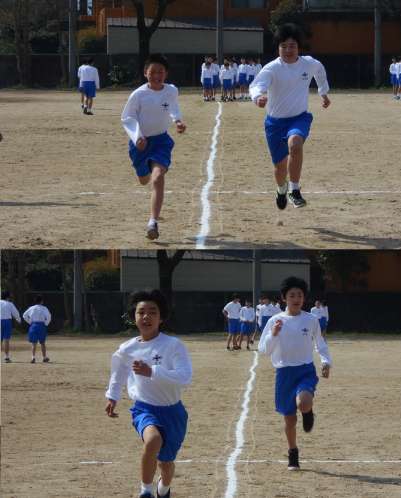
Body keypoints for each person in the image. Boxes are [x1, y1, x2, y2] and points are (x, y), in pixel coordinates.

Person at [105, 289, 192, 498]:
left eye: (153, 312)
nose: (146, 316)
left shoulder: (173, 345)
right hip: (144, 408)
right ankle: (145, 490)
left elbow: (184, 377)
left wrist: (152, 371)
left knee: (166, 464)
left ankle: (163, 489)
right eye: (141, 312)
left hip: (173, 413)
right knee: (152, 440)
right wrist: (112, 396)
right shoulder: (126, 349)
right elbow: (118, 373)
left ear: (161, 318)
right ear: (133, 317)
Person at [249, 23, 330, 210]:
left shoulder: (309, 63)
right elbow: (256, 86)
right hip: (274, 123)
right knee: (279, 168)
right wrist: (258, 97)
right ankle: (281, 189)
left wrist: (323, 93)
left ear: (298, 47)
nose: (287, 50)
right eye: (283, 46)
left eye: (292, 46)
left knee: (295, 144)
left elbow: (320, 71)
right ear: (278, 48)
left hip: (299, 118)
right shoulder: (272, 68)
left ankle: (294, 190)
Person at [258, 276, 332, 471]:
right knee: (290, 420)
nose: (296, 299)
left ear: (304, 298)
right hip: (284, 374)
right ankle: (293, 451)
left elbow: (320, 343)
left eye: (299, 295)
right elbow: (264, 350)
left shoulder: (311, 319)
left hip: (305, 370)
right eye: (292, 295)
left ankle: (307, 410)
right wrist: (273, 334)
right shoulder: (275, 321)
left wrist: (326, 361)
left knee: (304, 402)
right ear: (284, 298)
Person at [121, 54, 187, 241]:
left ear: (166, 73)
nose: (157, 75)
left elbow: (173, 107)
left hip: (161, 142)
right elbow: (128, 118)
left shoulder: (171, 90)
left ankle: (152, 222)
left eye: (161, 72)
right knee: (144, 180)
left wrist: (178, 121)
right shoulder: (138, 95)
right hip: (141, 144)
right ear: (145, 73)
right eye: (153, 72)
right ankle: (144, 172)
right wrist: (137, 137)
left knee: (157, 178)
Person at [23, 295, 51, 363]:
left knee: (34, 343)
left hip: (33, 325)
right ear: (41, 301)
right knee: (42, 343)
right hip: (41, 325)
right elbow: (49, 316)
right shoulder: (44, 308)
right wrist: (46, 324)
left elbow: (24, 315)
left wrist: (30, 322)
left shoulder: (31, 308)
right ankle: (44, 357)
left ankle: (33, 357)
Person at [1, 290, 21, 363]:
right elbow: (15, 313)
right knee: (6, 340)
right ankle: (6, 357)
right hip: (7, 322)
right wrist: (19, 319)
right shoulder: (10, 304)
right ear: (8, 297)